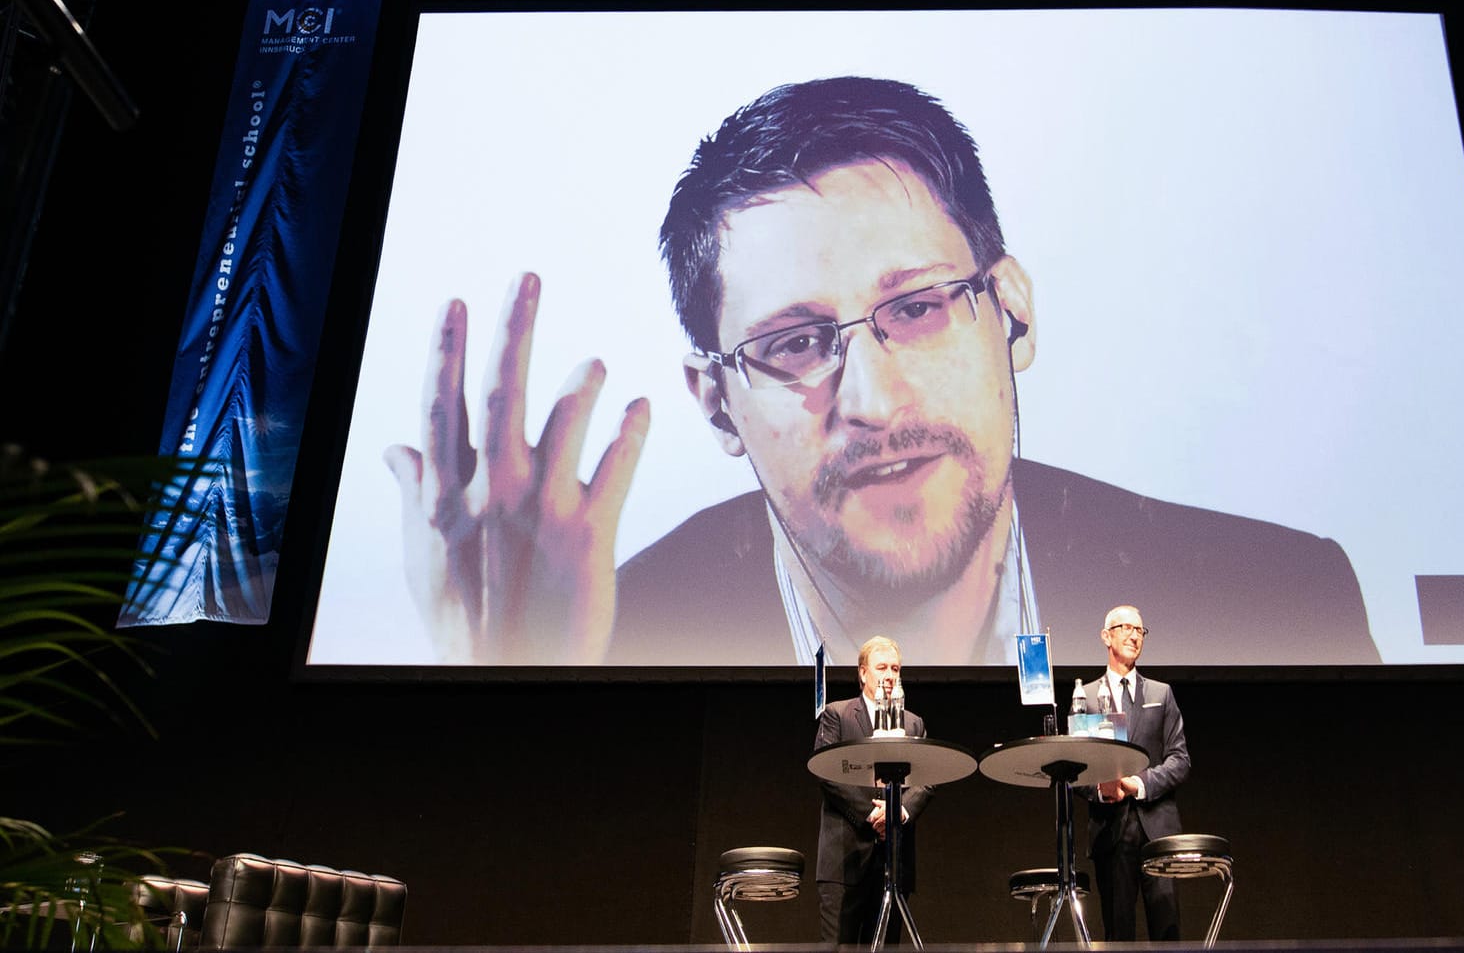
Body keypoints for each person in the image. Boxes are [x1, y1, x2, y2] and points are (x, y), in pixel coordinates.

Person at [384, 75, 1381, 667]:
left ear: (1014, 309)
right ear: (715, 400)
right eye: (792, 342)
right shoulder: (591, 648)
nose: (873, 400)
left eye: (918, 307)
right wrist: (508, 682)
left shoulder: (1280, 596)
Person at [1076, 605, 1187, 942]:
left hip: (1158, 830)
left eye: (1140, 630)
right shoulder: (1087, 698)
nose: (1135, 635)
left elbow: (1179, 759)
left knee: (1167, 932)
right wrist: (1100, 790)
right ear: (1106, 636)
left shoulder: (1160, 694)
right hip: (1111, 830)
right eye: (1126, 627)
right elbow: (1075, 768)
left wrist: (1139, 784)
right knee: (1118, 933)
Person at [813, 635, 932, 945]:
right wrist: (871, 815)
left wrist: (898, 812)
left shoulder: (914, 723)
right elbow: (828, 775)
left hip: (893, 859)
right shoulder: (837, 715)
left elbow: (927, 778)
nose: (890, 675)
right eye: (881, 667)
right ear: (863, 673)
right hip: (845, 860)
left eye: (895, 668)